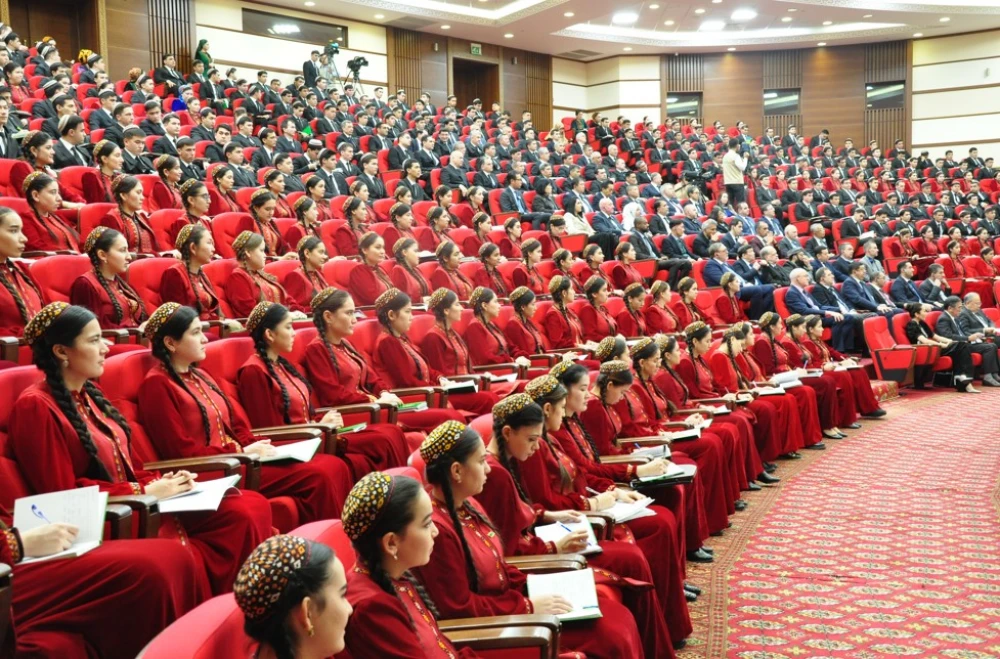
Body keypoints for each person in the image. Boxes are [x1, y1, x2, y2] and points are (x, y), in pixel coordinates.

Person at [10, 302, 272, 595]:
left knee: (248, 506)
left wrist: (162, 482)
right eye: (95, 340)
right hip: (109, 519)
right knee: (236, 517)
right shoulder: (36, 405)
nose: (106, 348)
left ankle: (238, 602)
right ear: (61, 351)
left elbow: (131, 468)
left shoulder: (91, 395)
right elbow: (63, 496)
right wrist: (142, 492)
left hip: (136, 503)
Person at [412, 400, 647, 659]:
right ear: (456, 471)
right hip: (498, 625)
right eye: (481, 462)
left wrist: (536, 586)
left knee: (614, 618)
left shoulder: (467, 502)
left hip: (509, 605)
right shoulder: (437, 529)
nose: (488, 468)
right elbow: (460, 608)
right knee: (611, 633)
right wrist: (528, 604)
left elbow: (499, 566)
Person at [341, 472, 477, 658]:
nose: (436, 531)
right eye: (427, 523)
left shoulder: (394, 576)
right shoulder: (373, 609)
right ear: (391, 543)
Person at [372, 288, 499, 417]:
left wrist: (440, 379)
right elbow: (407, 381)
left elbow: (427, 369)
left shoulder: (402, 338)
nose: (412, 317)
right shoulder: (387, 342)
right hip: (417, 398)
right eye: (408, 312)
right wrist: (437, 387)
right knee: (485, 400)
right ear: (392, 315)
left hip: (431, 392)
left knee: (490, 397)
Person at [800, 313, 889, 415]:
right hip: (824, 370)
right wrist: (833, 365)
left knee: (858, 371)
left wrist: (847, 358)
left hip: (831, 367)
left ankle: (869, 407)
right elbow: (815, 362)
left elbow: (832, 352)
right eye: (820, 327)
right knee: (846, 376)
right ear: (811, 329)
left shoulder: (818, 341)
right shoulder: (807, 343)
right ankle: (849, 414)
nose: (823, 329)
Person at [70, 227, 148, 331]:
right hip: (112, 343)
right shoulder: (85, 284)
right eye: (122, 250)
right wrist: (136, 331)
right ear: (102, 255)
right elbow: (93, 329)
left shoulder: (121, 283)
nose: (129, 257)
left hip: (136, 340)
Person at [904, 302, 978, 392]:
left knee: (962, 347)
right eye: (924, 311)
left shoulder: (922, 323)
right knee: (961, 346)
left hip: (934, 348)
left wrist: (949, 341)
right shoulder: (912, 325)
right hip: (925, 350)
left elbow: (936, 337)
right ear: (916, 314)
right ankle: (965, 383)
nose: (927, 313)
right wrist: (942, 345)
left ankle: (964, 383)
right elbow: (924, 340)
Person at [226, 231, 296, 318]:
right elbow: (252, 313)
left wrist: (297, 311)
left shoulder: (260, 274)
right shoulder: (237, 278)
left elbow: (288, 299)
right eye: (262, 251)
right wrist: (285, 315)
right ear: (248, 252)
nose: (265, 255)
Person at [934, 295, 1000, 386]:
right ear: (950, 308)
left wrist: (973, 336)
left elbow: (963, 332)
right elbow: (948, 336)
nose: (961, 310)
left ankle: (994, 374)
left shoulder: (954, 317)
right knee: (989, 347)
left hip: (965, 343)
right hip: (955, 346)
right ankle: (988, 377)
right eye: (959, 307)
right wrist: (968, 338)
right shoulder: (944, 319)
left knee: (992, 345)